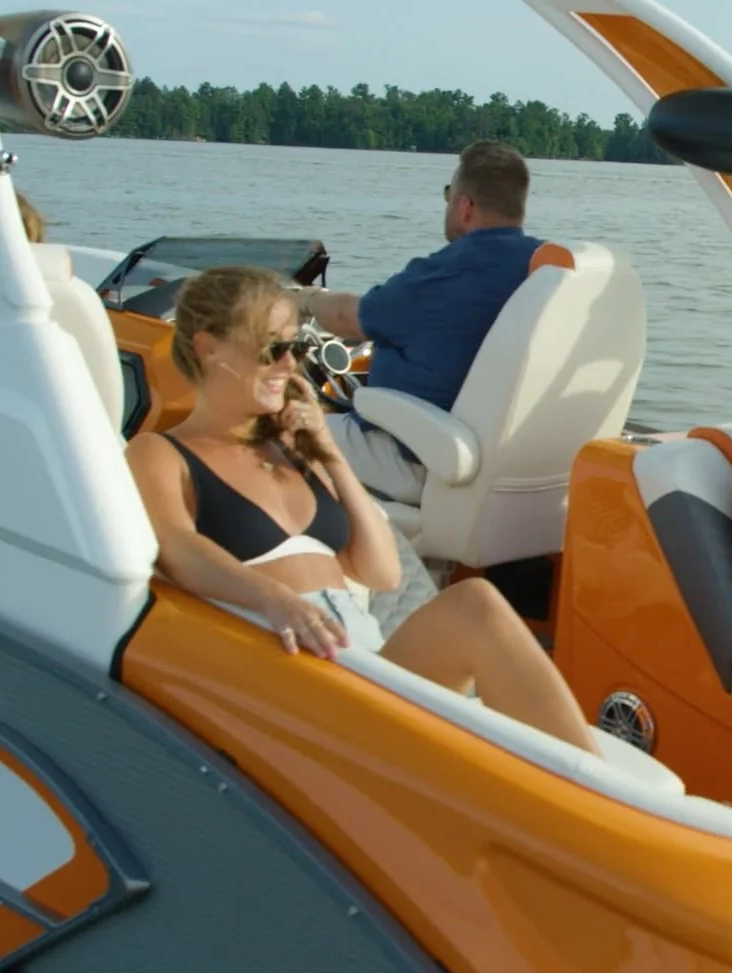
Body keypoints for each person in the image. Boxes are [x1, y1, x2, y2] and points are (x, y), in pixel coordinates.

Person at [124, 265, 601, 756]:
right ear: (208, 349)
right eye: (273, 349)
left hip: (360, 665)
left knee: (475, 604)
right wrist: (273, 599)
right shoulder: (159, 453)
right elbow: (178, 548)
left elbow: (380, 573)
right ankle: (596, 803)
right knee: (475, 605)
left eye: (299, 348)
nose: (290, 366)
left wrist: (327, 452)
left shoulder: (294, 453)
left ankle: (597, 791)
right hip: (290, 680)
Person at [297, 139, 544, 503]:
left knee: (276, 431)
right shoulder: (544, 267)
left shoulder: (442, 275)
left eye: (449, 193)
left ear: (465, 206)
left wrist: (302, 298)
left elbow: (348, 319)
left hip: (416, 457)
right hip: (503, 460)